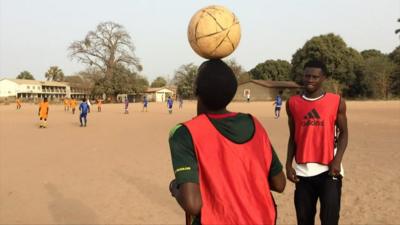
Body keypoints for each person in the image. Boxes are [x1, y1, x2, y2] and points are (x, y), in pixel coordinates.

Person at [168, 60, 286, 225]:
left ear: (196, 90)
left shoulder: (184, 133)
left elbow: (193, 204)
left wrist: (175, 188)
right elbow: (279, 183)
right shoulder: (254, 124)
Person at [285, 60, 348, 225]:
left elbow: (344, 133)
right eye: (307, 76)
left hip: (329, 171)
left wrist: (338, 160)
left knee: (329, 220)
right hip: (303, 173)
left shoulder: (336, 101)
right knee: (304, 220)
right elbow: (293, 137)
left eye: (315, 76)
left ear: (323, 78)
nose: (310, 80)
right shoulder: (292, 103)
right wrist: (288, 164)